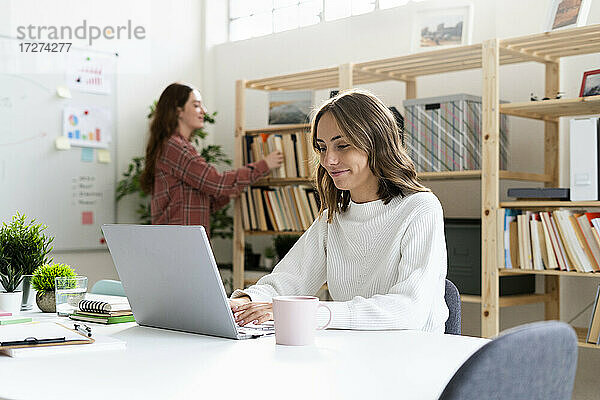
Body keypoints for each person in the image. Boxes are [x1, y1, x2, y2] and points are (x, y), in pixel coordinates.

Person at [230, 89, 449, 332]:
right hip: (352, 353)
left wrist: (311, 313)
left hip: (412, 357)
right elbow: (288, 280)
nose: (328, 160)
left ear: (375, 143)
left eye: (342, 146)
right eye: (322, 148)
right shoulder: (332, 218)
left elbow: (409, 310)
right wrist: (244, 303)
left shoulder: (420, 209)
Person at [140, 83, 283, 236]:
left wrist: (227, 193)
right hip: (178, 243)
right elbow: (216, 181)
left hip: (181, 242)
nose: (204, 111)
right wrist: (264, 165)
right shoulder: (175, 147)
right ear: (178, 110)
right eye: (196, 105)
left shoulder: (176, 146)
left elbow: (198, 203)